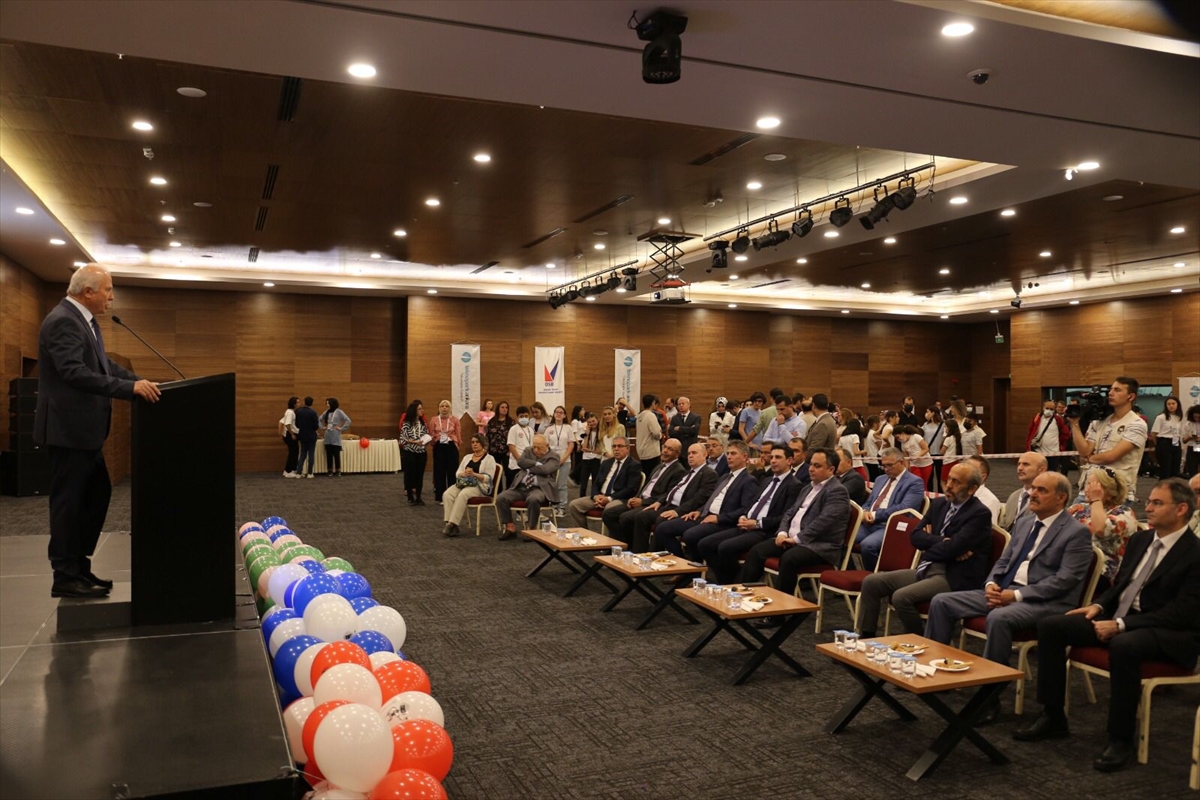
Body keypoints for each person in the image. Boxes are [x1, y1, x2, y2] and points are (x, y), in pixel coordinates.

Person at [1015, 478, 1200, 774]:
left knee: (1125, 645)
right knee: (1052, 626)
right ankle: (1053, 715)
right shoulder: (1142, 540)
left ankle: (1120, 738)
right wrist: (1099, 606)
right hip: (1123, 619)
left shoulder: (1194, 553)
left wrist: (1121, 625)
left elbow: (1182, 614)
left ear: (1180, 509)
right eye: (1149, 502)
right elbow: (1121, 585)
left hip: (1169, 633)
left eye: (1156, 503)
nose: (1148, 508)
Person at [34, 264, 161, 598]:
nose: (111, 297)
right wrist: (128, 389)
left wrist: (140, 382)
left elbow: (103, 365)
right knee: (69, 502)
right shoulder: (63, 320)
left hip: (84, 432)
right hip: (67, 430)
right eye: (108, 290)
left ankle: (78, 566)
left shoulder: (83, 322)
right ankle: (64, 574)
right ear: (87, 291)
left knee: (94, 495)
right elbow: (74, 373)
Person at [925, 471, 1092, 723]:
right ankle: (938, 674)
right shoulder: (1025, 523)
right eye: (1033, 488)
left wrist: (1015, 595)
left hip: (1046, 602)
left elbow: (1064, 580)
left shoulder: (1076, 532)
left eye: (1041, 490)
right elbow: (1003, 561)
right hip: (1005, 590)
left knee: (999, 618)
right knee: (941, 601)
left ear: (1061, 498)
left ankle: (989, 698)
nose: (1032, 494)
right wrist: (992, 583)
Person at [857, 462, 993, 637]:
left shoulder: (980, 513)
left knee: (901, 597)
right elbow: (915, 537)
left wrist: (932, 545)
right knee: (872, 582)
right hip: (928, 567)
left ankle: (919, 643)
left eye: (956, 482)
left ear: (972, 489)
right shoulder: (939, 504)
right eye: (949, 479)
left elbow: (951, 548)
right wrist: (943, 542)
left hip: (953, 576)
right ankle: (866, 637)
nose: (948, 485)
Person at [738, 448, 852, 605]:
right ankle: (743, 597)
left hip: (819, 545)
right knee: (758, 550)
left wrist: (796, 539)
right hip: (792, 539)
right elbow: (789, 513)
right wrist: (782, 533)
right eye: (811, 464)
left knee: (789, 559)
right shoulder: (808, 487)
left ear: (831, 470)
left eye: (817, 466)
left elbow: (824, 522)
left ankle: (780, 610)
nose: (811, 469)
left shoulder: (837, 491)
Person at [696, 445, 801, 585]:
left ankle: (733, 585)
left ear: (789, 461)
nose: (773, 460)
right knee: (705, 544)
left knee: (725, 547)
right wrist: (743, 516)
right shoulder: (767, 481)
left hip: (764, 530)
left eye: (778, 457)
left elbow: (785, 517)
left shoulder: (794, 485)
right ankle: (727, 582)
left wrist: (757, 524)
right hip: (746, 524)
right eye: (772, 457)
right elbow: (751, 504)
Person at [653, 441, 758, 558]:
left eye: (733, 454)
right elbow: (712, 499)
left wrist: (718, 518)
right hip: (705, 515)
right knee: (663, 528)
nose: (729, 457)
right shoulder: (724, 477)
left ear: (744, 457)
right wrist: (699, 510)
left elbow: (744, 510)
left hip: (723, 522)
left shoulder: (748, 480)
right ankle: (681, 562)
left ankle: (693, 565)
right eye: (728, 453)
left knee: (690, 535)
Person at [627, 443, 719, 552]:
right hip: (668, 505)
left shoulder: (709, 474)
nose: (690, 456)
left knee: (661, 519)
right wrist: (659, 502)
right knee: (642, 516)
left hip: (684, 509)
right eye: (689, 453)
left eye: (694, 453)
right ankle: (638, 553)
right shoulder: (688, 472)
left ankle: (655, 555)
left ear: (705, 455)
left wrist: (677, 512)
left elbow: (698, 499)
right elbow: (672, 490)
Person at [1070, 377, 1148, 502]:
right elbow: (1084, 451)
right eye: (1111, 389)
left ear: (1131, 396)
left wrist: (1089, 459)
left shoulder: (1137, 424)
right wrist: (1074, 424)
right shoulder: (1099, 421)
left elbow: (1112, 456)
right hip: (1088, 488)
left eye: (1117, 390)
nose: (1111, 393)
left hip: (1116, 492)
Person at [1065, 467, 1137, 592]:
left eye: (1093, 487)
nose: (1088, 490)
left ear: (1109, 492)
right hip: (1070, 565)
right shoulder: (1079, 508)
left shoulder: (1123, 513)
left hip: (1100, 575)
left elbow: (1100, 529)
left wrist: (1096, 499)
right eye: (1087, 484)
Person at [856, 448, 926, 570]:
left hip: (891, 525)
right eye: (883, 466)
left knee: (868, 545)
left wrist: (875, 515)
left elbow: (905, 508)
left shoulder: (915, 482)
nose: (886, 469)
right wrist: (865, 512)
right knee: (841, 537)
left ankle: (873, 577)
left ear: (902, 462)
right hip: (869, 524)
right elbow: (869, 502)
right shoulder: (880, 479)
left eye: (889, 465)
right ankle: (849, 571)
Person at [610, 439, 685, 544]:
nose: (665, 451)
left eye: (670, 449)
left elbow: (668, 494)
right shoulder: (659, 466)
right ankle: (617, 545)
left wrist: (643, 502)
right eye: (664, 447)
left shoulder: (679, 470)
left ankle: (632, 548)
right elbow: (646, 487)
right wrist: (636, 498)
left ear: (677, 454)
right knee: (610, 513)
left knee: (626, 517)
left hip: (654, 504)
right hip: (641, 500)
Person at [564, 436, 639, 530]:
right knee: (574, 505)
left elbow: (630, 489)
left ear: (628, 448)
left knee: (610, 509)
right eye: (614, 446)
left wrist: (609, 499)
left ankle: (609, 537)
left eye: (620, 446)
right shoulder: (606, 463)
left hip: (619, 499)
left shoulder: (634, 465)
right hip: (600, 497)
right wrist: (595, 496)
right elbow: (596, 483)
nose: (616, 449)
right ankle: (583, 533)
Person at [495, 434, 560, 540]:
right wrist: (536, 463)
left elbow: (545, 470)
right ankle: (510, 527)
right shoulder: (528, 450)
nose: (535, 450)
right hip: (521, 487)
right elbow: (520, 462)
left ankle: (531, 529)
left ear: (547, 445)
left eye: (539, 447)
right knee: (501, 498)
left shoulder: (554, 456)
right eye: (534, 446)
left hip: (539, 489)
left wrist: (528, 467)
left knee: (533, 499)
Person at [441, 434, 497, 538]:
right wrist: (463, 474)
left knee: (463, 495)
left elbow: (489, 478)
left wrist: (474, 474)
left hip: (479, 486)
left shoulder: (490, 459)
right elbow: (457, 473)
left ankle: (452, 524)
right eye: (472, 442)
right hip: (464, 482)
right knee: (447, 494)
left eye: (477, 442)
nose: (474, 444)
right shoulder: (467, 457)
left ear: (483, 444)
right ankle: (450, 523)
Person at [1000, 452, 1048, 531]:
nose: (1020, 468)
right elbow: (1003, 526)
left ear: (1041, 470)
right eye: (1019, 464)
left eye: (1026, 464)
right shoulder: (1014, 496)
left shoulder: (1048, 499)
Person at [426, 400, 461, 502]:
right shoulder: (434, 420)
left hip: (451, 446)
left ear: (450, 408)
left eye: (447, 406)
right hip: (439, 446)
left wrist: (457, 444)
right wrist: (434, 443)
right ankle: (440, 496)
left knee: (452, 471)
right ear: (439, 408)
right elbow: (431, 434)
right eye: (442, 406)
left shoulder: (455, 420)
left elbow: (458, 434)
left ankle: (452, 496)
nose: (444, 408)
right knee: (439, 472)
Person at [543, 405, 576, 514]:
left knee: (562, 484)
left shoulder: (568, 428)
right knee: (552, 484)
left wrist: (563, 458)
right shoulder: (549, 429)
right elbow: (545, 445)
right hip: (551, 461)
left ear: (564, 415)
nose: (558, 414)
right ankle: (554, 506)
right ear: (554, 414)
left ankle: (561, 507)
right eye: (556, 412)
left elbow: (571, 445)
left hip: (565, 460)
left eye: (561, 412)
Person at [1026, 399, 1071, 474]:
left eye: (1051, 409)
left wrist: (1058, 442)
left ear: (1054, 410)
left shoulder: (1058, 420)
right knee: (1038, 473)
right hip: (1038, 452)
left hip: (1053, 453)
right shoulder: (1037, 418)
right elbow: (1030, 432)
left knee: (1051, 474)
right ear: (1043, 407)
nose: (1049, 410)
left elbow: (1066, 434)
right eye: (1047, 408)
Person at [399, 399, 429, 505]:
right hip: (410, 452)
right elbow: (403, 439)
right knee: (410, 474)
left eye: (422, 409)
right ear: (414, 410)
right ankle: (410, 496)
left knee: (419, 475)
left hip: (421, 452)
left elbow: (426, 434)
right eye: (419, 409)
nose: (422, 411)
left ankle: (419, 497)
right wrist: (415, 442)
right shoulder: (407, 423)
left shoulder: (423, 423)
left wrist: (427, 440)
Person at [1149, 395, 1184, 479]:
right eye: (1169, 404)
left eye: (1173, 404)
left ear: (1177, 405)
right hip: (1164, 442)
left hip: (1175, 441)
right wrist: (1158, 444)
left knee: (1175, 470)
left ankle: (1172, 486)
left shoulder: (1178, 417)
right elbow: (1153, 433)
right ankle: (1163, 486)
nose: (1171, 406)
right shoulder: (1161, 417)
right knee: (1165, 470)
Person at [965, 455, 1004, 525]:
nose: (962, 473)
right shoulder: (956, 494)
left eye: (969, 471)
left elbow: (989, 529)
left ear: (982, 477)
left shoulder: (990, 501)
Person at [319, 397, 352, 478]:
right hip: (327, 435)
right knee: (329, 454)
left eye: (328, 403)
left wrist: (342, 428)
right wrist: (322, 427)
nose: (327, 405)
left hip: (336, 435)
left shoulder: (339, 412)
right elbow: (319, 419)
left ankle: (338, 470)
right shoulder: (326, 412)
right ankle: (329, 470)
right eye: (326, 403)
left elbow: (348, 420)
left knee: (336, 455)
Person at [505, 405, 535, 489]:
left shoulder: (530, 430)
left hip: (528, 465)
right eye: (521, 416)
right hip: (516, 465)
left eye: (526, 416)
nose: (524, 418)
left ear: (529, 417)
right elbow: (511, 447)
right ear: (517, 417)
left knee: (525, 488)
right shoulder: (514, 429)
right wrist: (520, 460)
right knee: (514, 489)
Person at [485, 401, 514, 485]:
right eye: (502, 407)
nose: (505, 409)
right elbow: (488, 436)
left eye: (506, 407)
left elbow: (513, 437)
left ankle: (509, 490)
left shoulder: (510, 421)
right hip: (494, 450)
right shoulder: (492, 421)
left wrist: (511, 450)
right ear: (498, 409)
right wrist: (487, 449)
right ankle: (497, 490)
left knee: (508, 472)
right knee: (496, 472)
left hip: (506, 451)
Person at [635, 394, 663, 477]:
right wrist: (660, 434)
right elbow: (656, 433)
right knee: (653, 476)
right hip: (651, 451)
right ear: (653, 403)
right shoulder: (650, 415)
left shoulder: (639, 416)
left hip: (641, 451)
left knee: (645, 475)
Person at [576, 413, 603, 497]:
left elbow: (600, 451)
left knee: (595, 482)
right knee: (583, 483)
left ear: (597, 420)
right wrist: (587, 434)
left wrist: (590, 450)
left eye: (593, 421)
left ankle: (594, 498)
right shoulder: (587, 432)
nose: (592, 423)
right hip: (586, 459)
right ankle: (581, 499)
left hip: (596, 460)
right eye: (589, 422)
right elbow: (584, 447)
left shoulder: (601, 432)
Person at [921, 407, 945, 491]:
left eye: (928, 411)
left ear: (933, 413)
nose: (926, 413)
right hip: (928, 453)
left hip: (939, 453)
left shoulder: (942, 425)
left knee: (939, 476)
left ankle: (940, 494)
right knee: (929, 477)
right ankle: (930, 494)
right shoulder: (925, 425)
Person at [296, 396, 320, 479]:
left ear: (304, 402)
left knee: (302, 454)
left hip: (302, 435)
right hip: (311, 436)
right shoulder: (313, 412)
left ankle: (298, 472)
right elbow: (316, 426)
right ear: (312, 403)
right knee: (311, 454)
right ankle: (310, 473)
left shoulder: (299, 412)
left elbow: (297, 424)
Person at [279, 396, 300, 478]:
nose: (299, 404)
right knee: (293, 453)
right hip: (289, 434)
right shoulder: (290, 413)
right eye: (297, 402)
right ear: (294, 404)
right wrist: (292, 434)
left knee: (294, 452)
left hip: (289, 433)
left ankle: (288, 470)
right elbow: (287, 424)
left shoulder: (289, 412)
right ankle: (289, 471)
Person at [939, 417, 964, 486]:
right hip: (955, 461)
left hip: (947, 462)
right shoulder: (957, 437)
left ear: (950, 428)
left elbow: (942, 452)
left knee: (944, 481)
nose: (945, 429)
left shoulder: (948, 439)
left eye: (946, 427)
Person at [1184, 404, 1200, 478]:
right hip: (1192, 447)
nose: (1197, 419)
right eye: (1195, 417)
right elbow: (1184, 440)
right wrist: (1190, 437)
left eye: (1199, 417)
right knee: (1191, 469)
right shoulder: (1188, 424)